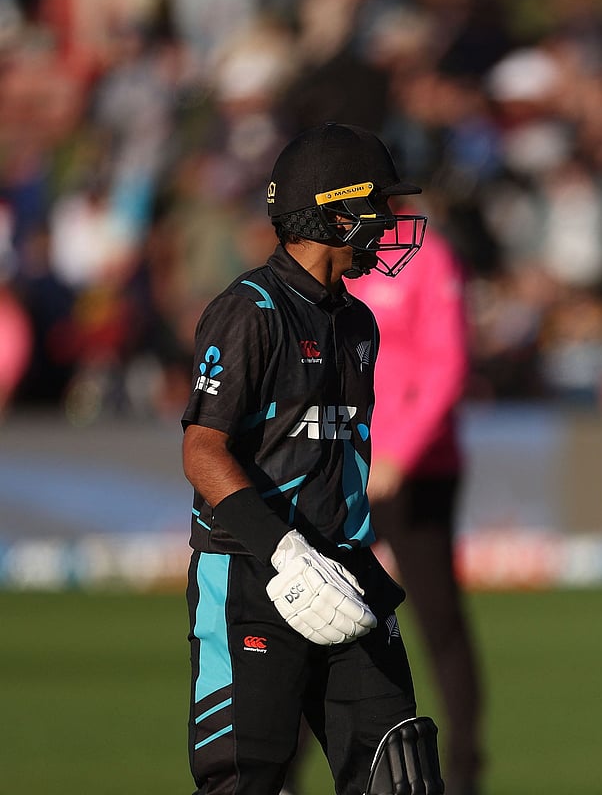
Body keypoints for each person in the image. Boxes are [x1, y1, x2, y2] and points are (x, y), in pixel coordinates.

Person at [181, 122, 442, 795]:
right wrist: (286, 553)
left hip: (348, 577)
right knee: (245, 781)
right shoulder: (250, 310)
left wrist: (341, 558)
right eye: (377, 206)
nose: (388, 223)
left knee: (400, 775)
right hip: (252, 578)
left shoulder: (359, 322)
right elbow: (203, 451)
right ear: (335, 211)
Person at [345, 219, 484, 795]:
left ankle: (466, 774)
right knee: (312, 617)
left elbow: (445, 366)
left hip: (419, 471)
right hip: (347, 464)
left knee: (438, 622)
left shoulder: (429, 257)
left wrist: (398, 455)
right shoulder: (341, 253)